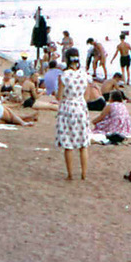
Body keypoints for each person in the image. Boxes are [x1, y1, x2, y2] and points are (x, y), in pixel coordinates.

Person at [55, 48, 89, 180]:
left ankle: (70, 174)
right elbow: (87, 95)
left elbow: (59, 96)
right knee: (83, 144)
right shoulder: (84, 75)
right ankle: (84, 174)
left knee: (68, 143)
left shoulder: (64, 76)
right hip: (81, 107)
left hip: (68, 107)